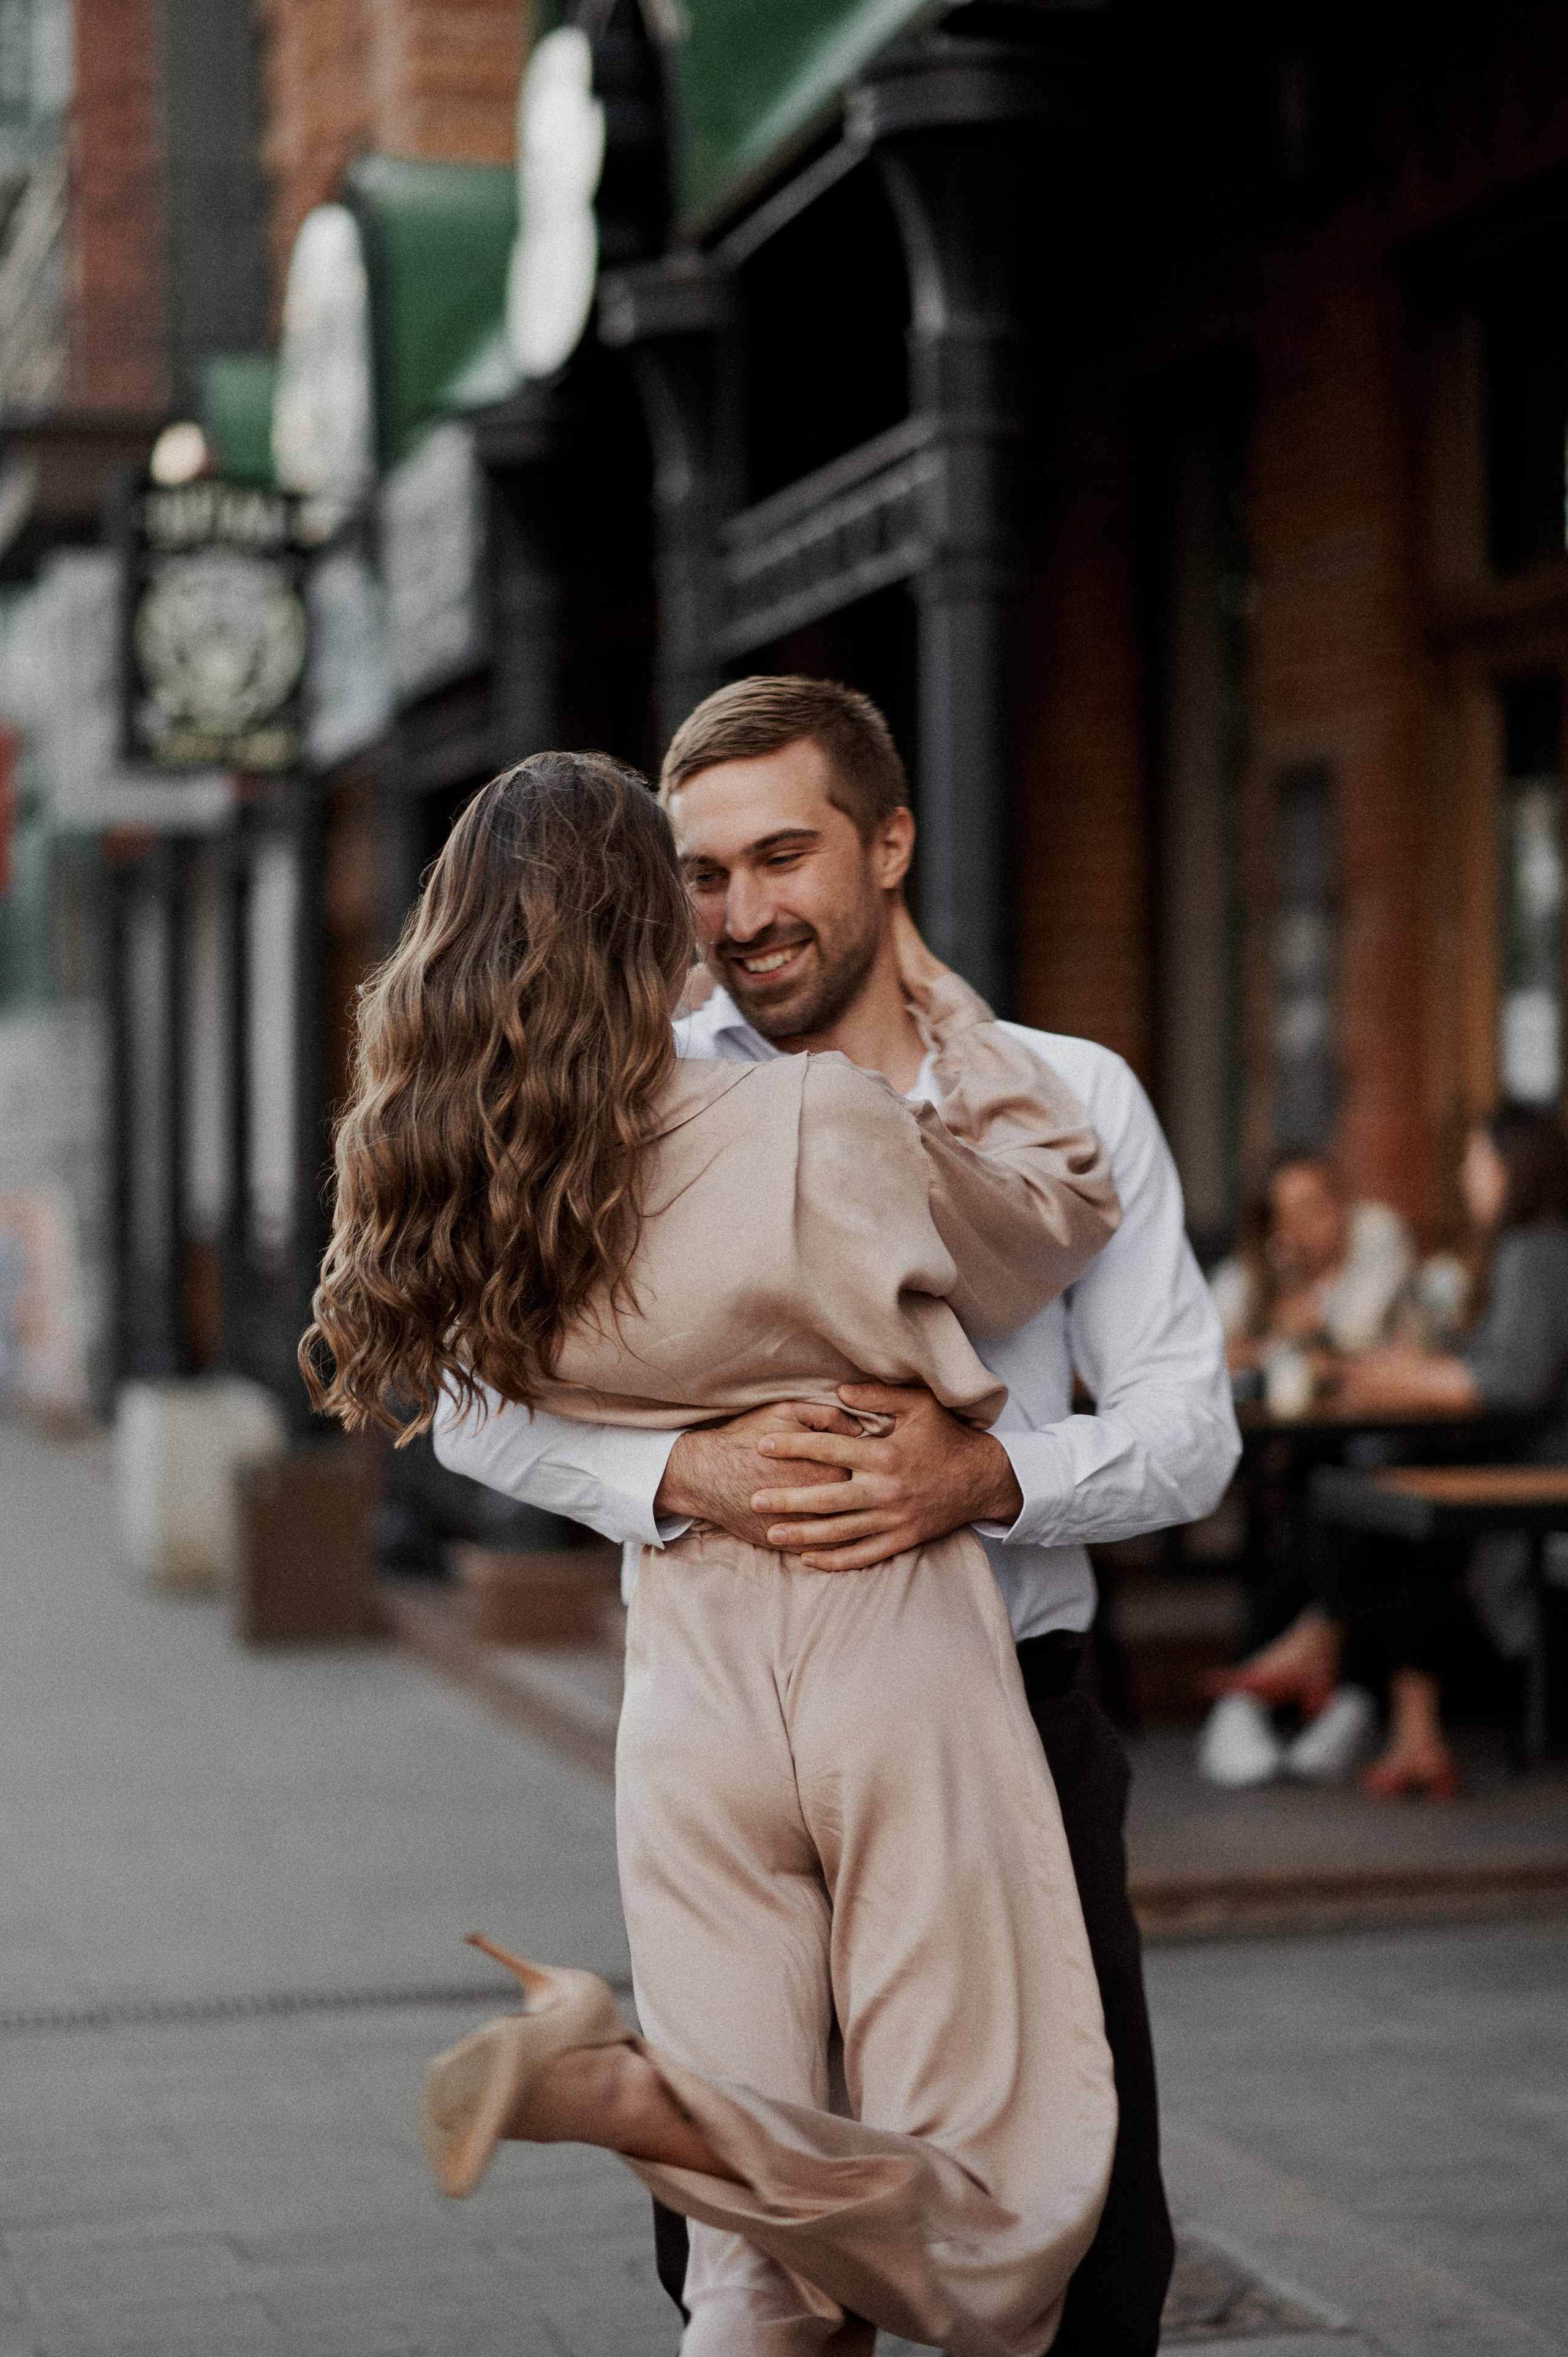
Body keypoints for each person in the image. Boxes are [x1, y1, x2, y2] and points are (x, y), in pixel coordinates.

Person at [434, 676, 1242, 2355]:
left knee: (1091, 2260)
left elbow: (1189, 1433)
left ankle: (628, 2091)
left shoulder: (1074, 1091)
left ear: (890, 843)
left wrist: (994, 1476)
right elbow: (473, 1399)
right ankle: (641, 2098)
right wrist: (678, 1471)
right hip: (729, 1696)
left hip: (1012, 1704)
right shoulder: (638, 1088)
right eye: (703, 873)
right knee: (744, 2276)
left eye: (782, 856)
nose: (741, 913)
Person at [1210, 1107, 1568, 1798]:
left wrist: (1391, 1374)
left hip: (1535, 1462)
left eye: (1474, 1160)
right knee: (1384, 1501)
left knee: (1372, 1491)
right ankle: (1405, 1730)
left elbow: (1511, 1382)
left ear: (1510, 1168)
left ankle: (1324, 1638)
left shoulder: (1535, 1246)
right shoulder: (1530, 1248)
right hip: (1512, 1453)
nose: (1465, 1176)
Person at [1209, 1152, 1414, 1377]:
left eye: (1328, 1198)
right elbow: (1211, 1340)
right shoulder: (1257, 1263)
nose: (1324, 1215)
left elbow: (1356, 1335)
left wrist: (1273, 1344)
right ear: (1276, 1227)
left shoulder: (1376, 1232)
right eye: (1303, 1210)